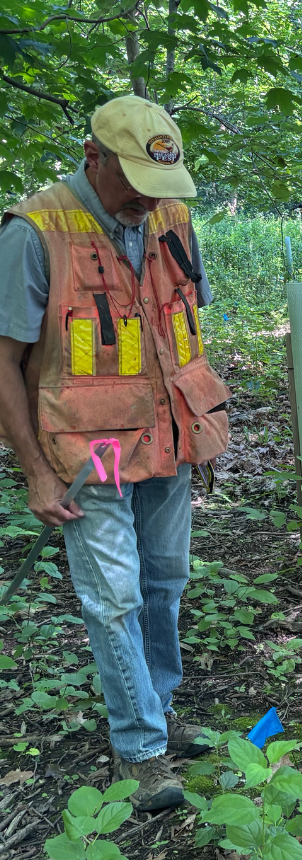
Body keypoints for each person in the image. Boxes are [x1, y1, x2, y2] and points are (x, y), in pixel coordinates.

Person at [0, 96, 231, 811]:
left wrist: (202, 430)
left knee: (166, 579)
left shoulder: (169, 215)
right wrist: (36, 470)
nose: (146, 200)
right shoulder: (36, 230)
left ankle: (157, 706)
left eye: (158, 185)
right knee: (114, 597)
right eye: (132, 181)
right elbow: (3, 359)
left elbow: (180, 330)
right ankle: (140, 745)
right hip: (89, 449)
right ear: (92, 157)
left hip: (167, 440)